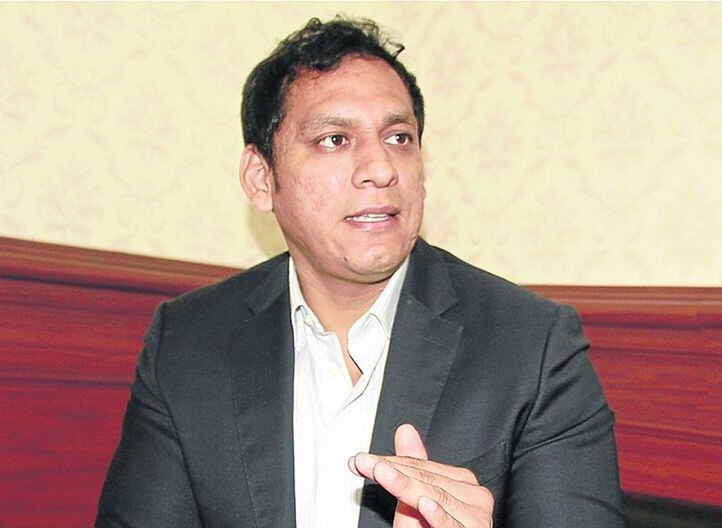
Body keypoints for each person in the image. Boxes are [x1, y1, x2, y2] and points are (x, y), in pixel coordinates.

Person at [96, 16, 625, 528]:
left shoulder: (532, 348)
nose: (381, 169)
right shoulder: (188, 343)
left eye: (399, 137)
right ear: (261, 178)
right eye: (335, 139)